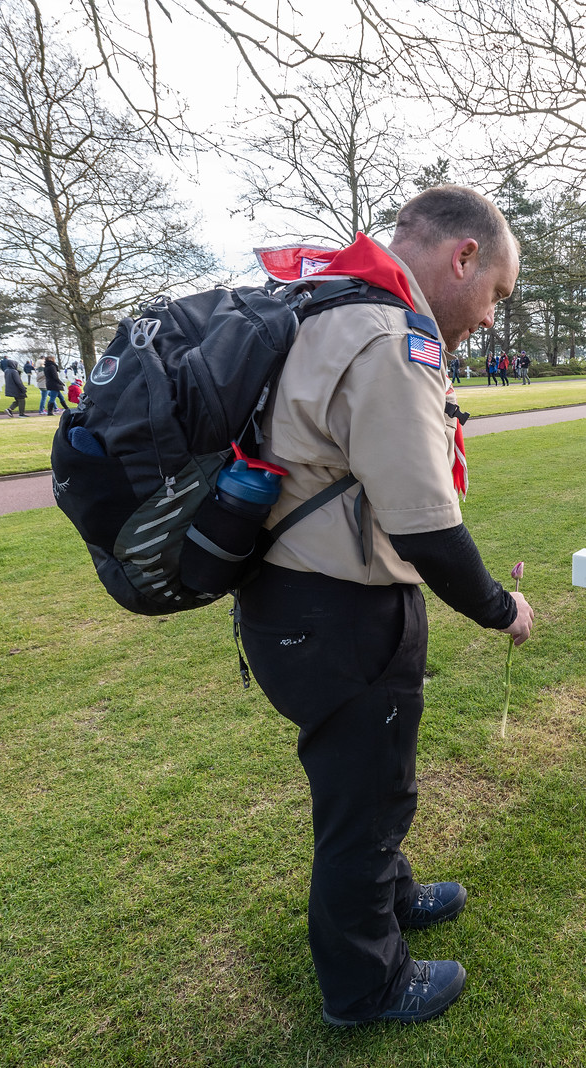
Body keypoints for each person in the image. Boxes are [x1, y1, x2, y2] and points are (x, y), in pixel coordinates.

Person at [239, 186, 534, 1027]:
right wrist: (500, 608)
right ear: (463, 258)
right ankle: (367, 984)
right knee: (364, 802)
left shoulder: (335, 306)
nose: (488, 319)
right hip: (338, 611)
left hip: (299, 599)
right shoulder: (388, 337)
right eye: (495, 296)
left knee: (368, 785)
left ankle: (389, 893)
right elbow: (429, 528)